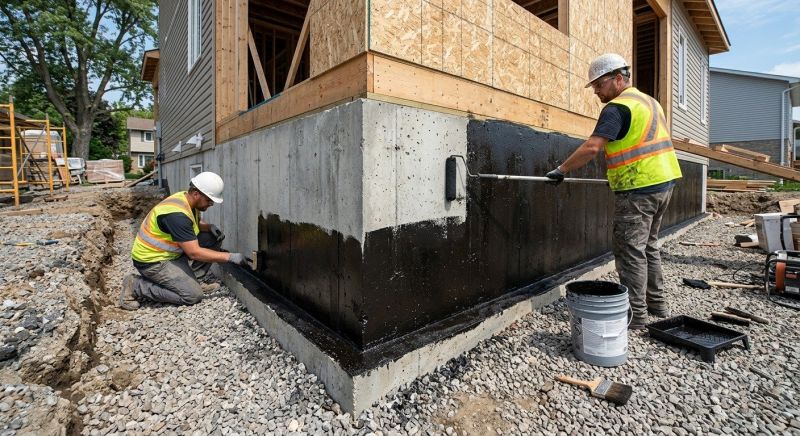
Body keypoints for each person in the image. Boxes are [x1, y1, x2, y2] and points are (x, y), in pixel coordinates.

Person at [545, 53, 682, 329]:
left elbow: (593, 147)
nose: (596, 91)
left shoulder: (617, 108)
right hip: (664, 183)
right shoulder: (649, 102)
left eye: (599, 84)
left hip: (639, 189)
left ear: (618, 79)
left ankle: (637, 316)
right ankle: (658, 305)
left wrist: (561, 170)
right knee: (648, 246)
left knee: (629, 250)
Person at [118, 171, 250, 310]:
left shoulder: (186, 200)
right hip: (152, 261)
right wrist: (230, 257)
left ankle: (193, 280)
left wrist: (209, 227)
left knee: (211, 238)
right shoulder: (176, 215)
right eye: (209, 200)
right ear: (196, 193)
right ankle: (136, 285)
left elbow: (192, 223)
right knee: (192, 295)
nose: (211, 204)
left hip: (169, 254)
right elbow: (194, 253)